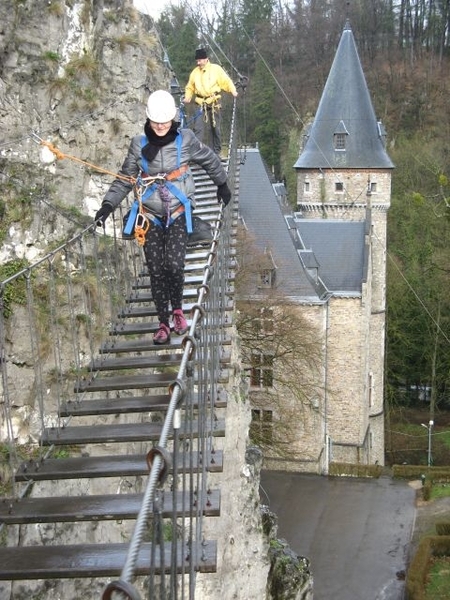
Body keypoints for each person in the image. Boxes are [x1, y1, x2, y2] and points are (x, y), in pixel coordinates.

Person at [94, 90, 232, 345]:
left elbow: (210, 159)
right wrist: (107, 206)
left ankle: (177, 310)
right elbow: (125, 179)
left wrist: (222, 184)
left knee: (174, 265)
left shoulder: (186, 140)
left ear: (173, 119)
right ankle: (162, 323)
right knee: (157, 270)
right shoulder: (138, 144)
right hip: (150, 215)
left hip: (179, 211)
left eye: (165, 122)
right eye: (156, 122)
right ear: (148, 119)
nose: (160, 126)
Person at [183, 48, 238, 155]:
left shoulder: (216, 69)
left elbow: (226, 81)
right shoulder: (195, 72)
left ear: (206, 59)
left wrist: (233, 91)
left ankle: (216, 152)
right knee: (198, 128)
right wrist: (188, 97)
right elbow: (190, 87)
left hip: (214, 102)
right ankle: (196, 152)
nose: (198, 63)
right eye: (197, 61)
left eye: (199, 60)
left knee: (215, 128)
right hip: (200, 102)